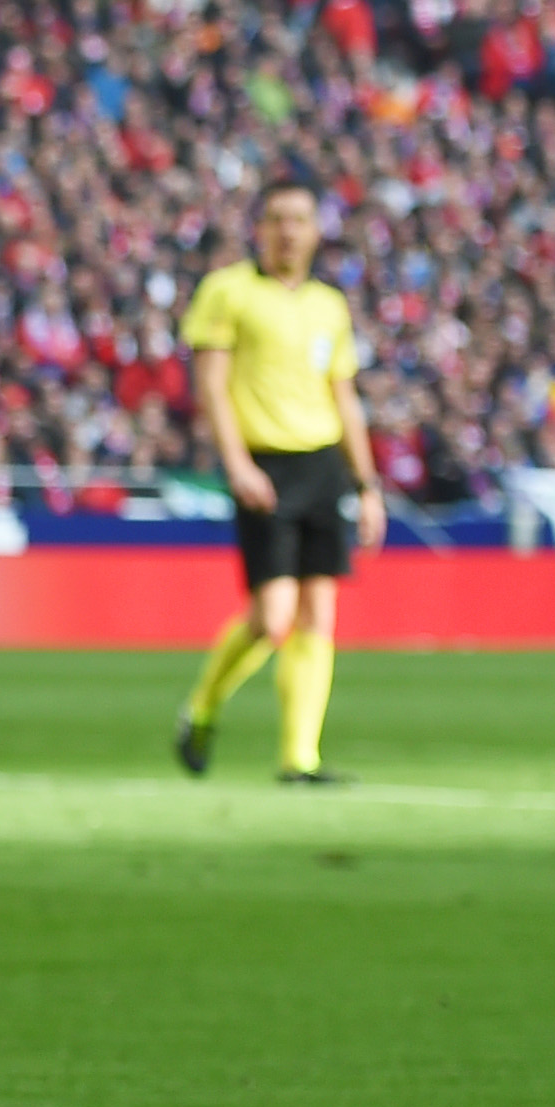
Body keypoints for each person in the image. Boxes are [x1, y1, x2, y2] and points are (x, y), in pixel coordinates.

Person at [171, 178, 384, 787]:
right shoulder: (228, 292)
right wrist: (235, 464)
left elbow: (344, 397)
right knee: (272, 618)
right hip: (265, 463)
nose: (288, 231)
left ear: (317, 231)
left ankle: (299, 758)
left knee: (320, 613)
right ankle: (203, 707)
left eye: (299, 220)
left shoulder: (329, 306)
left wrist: (366, 483)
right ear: (258, 228)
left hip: (322, 466)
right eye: (276, 219)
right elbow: (211, 386)